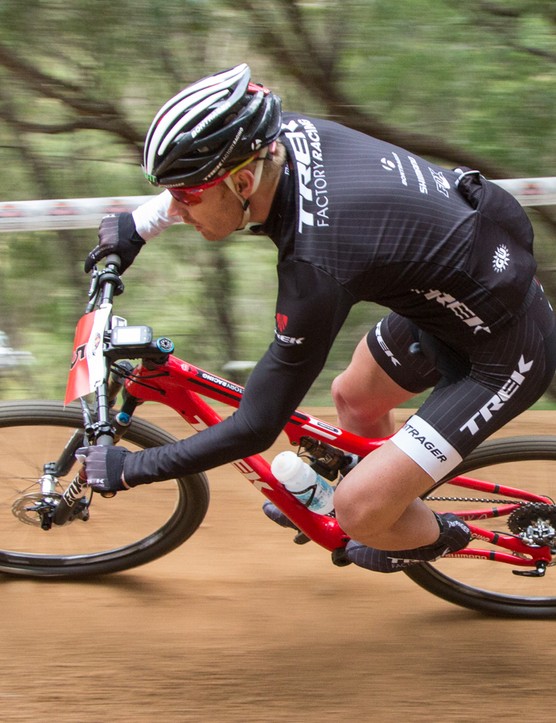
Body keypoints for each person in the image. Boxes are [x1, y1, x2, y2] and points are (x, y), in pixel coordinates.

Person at [79, 63, 556, 573]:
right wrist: (139, 224)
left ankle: (433, 536)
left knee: (358, 511)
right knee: (353, 398)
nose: (179, 207)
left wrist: (134, 468)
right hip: (446, 303)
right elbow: (206, 177)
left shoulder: (316, 263)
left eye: (186, 196)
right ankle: (383, 494)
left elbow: (255, 427)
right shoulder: (280, 136)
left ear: (243, 181)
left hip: (505, 355)